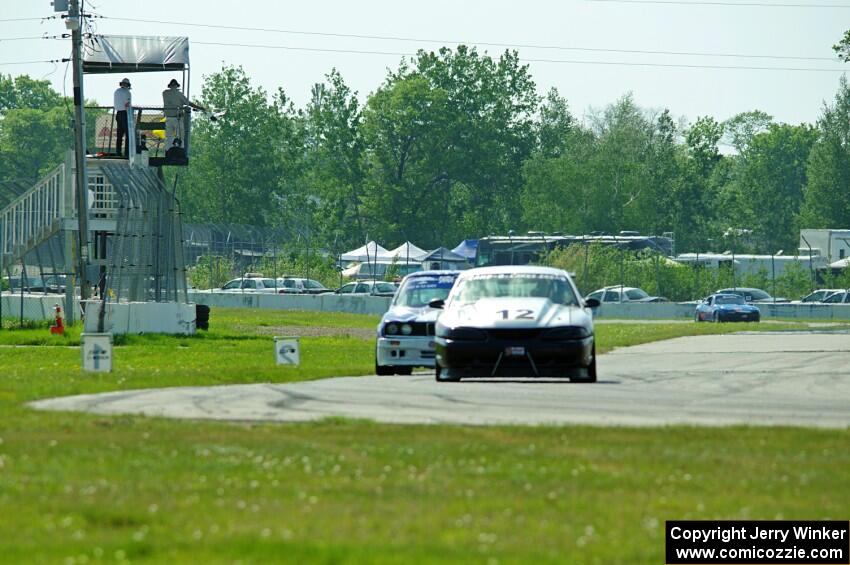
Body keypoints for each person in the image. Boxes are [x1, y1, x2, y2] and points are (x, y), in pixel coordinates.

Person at [162, 79, 206, 153]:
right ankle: (180, 150)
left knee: (169, 136)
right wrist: (199, 107)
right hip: (177, 118)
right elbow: (188, 103)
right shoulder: (178, 94)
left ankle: (168, 150)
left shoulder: (165, 93)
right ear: (176, 86)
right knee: (180, 135)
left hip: (168, 117)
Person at [113, 78, 132, 157]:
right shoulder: (127, 92)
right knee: (128, 134)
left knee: (119, 135)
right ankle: (127, 153)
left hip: (118, 113)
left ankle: (118, 152)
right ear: (127, 85)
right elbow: (127, 104)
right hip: (125, 113)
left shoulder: (116, 91)